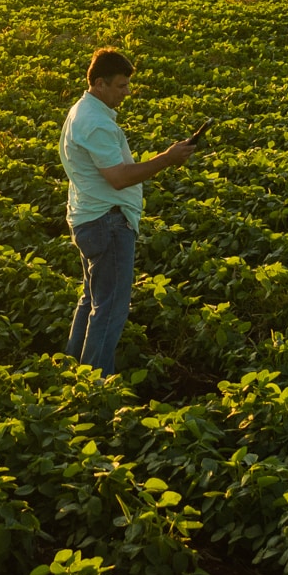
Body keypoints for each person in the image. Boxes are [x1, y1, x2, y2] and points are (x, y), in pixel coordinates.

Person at [58, 47, 194, 376]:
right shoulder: (95, 123)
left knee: (92, 300)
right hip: (107, 222)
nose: (126, 92)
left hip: (88, 217)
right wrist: (168, 158)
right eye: (121, 86)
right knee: (110, 308)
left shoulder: (82, 111)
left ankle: (71, 370)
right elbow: (118, 178)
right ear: (100, 83)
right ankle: (95, 384)